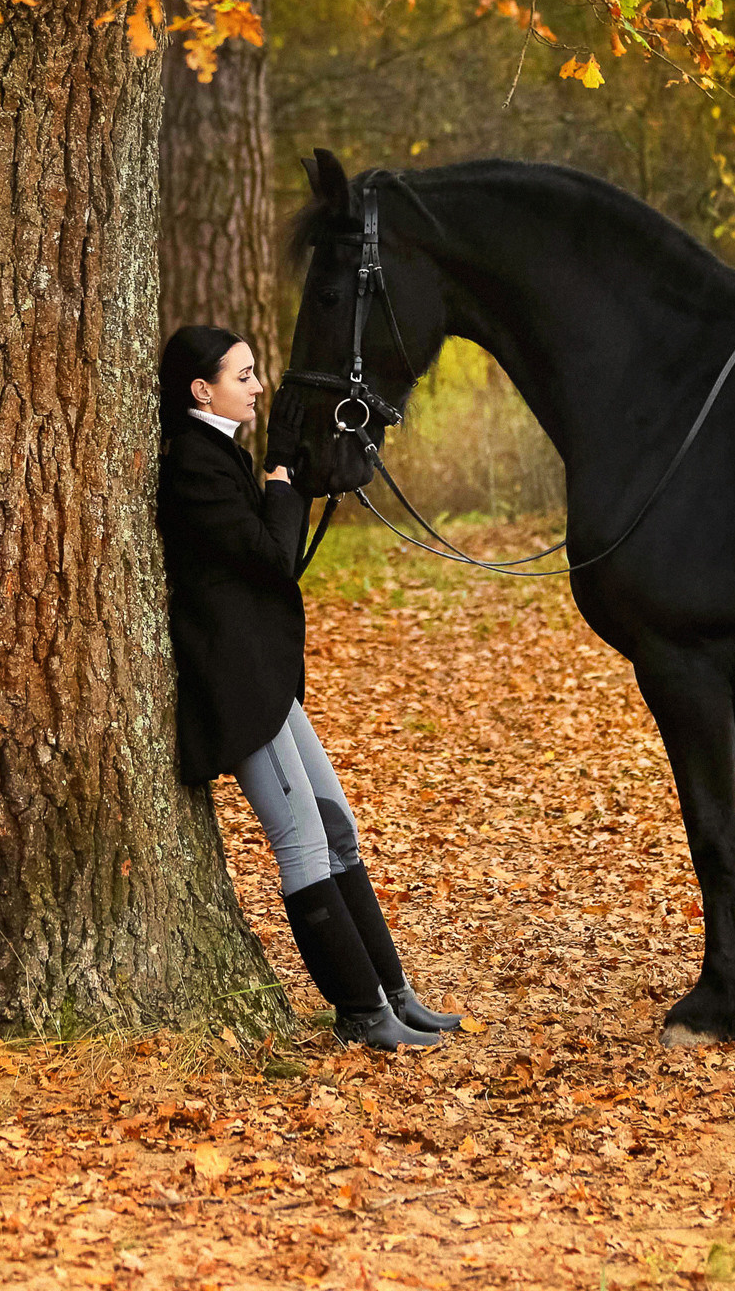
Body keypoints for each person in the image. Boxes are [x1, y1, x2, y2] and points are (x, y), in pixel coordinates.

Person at [156, 324, 462, 1051]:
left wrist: (284, 472)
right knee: (301, 841)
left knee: (338, 831)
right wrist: (281, 477)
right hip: (236, 683)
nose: (258, 385)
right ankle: (361, 1012)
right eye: (243, 375)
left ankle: (394, 995)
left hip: (263, 674)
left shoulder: (218, 453)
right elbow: (272, 557)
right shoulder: (193, 464)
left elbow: (265, 557)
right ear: (202, 390)